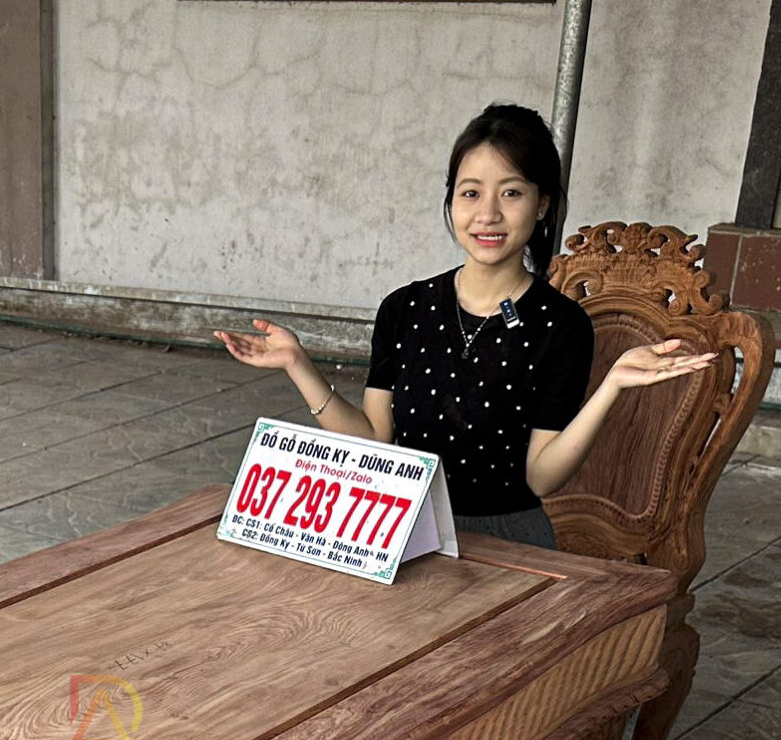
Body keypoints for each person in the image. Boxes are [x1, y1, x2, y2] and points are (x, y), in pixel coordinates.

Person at [214, 103, 714, 547]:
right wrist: (298, 365)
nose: (487, 214)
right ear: (451, 201)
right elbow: (376, 441)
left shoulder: (561, 326)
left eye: (511, 193)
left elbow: (542, 478)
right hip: (401, 532)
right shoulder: (404, 309)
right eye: (471, 193)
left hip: (506, 541)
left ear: (541, 204)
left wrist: (613, 386)